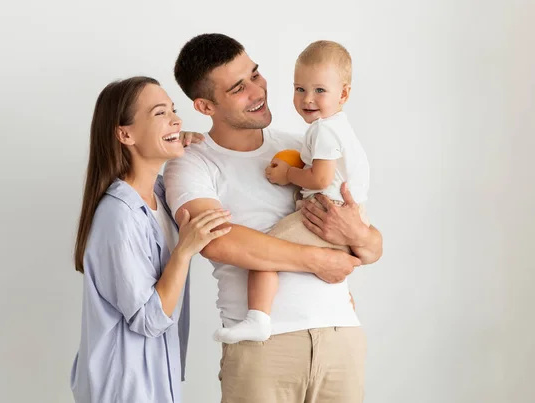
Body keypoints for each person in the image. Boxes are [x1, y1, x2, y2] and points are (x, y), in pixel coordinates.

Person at [164, 33, 383, 403]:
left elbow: (372, 247)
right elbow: (217, 239)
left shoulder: (302, 146)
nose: (258, 90)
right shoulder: (192, 163)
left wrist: (356, 232)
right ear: (205, 106)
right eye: (238, 87)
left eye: (255, 74)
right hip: (264, 346)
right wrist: (318, 260)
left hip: (339, 335)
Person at [69, 76, 231, 403]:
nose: (177, 118)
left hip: (154, 376)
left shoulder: (157, 195)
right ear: (125, 134)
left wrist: (172, 139)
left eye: (173, 110)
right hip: (124, 388)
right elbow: (149, 318)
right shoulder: (118, 215)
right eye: (160, 113)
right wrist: (183, 252)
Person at [222, 39, 371, 344]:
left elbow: (319, 178)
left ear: (343, 94)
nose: (307, 99)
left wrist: (288, 174)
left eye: (320, 90)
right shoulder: (336, 126)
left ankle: (258, 318)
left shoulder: (324, 130)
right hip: (346, 210)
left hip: (328, 206)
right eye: (299, 89)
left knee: (266, 251)